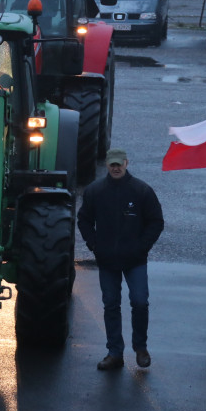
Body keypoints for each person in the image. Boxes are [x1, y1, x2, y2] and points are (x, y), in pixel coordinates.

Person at [78, 148, 164, 371]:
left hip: (135, 260)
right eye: (112, 164)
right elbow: (84, 220)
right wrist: (95, 246)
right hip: (107, 260)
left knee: (139, 301)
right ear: (107, 165)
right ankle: (114, 352)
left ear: (126, 163)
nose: (116, 168)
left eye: (120, 164)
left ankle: (140, 348)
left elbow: (156, 221)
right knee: (111, 304)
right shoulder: (95, 191)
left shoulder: (141, 191)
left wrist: (141, 247)